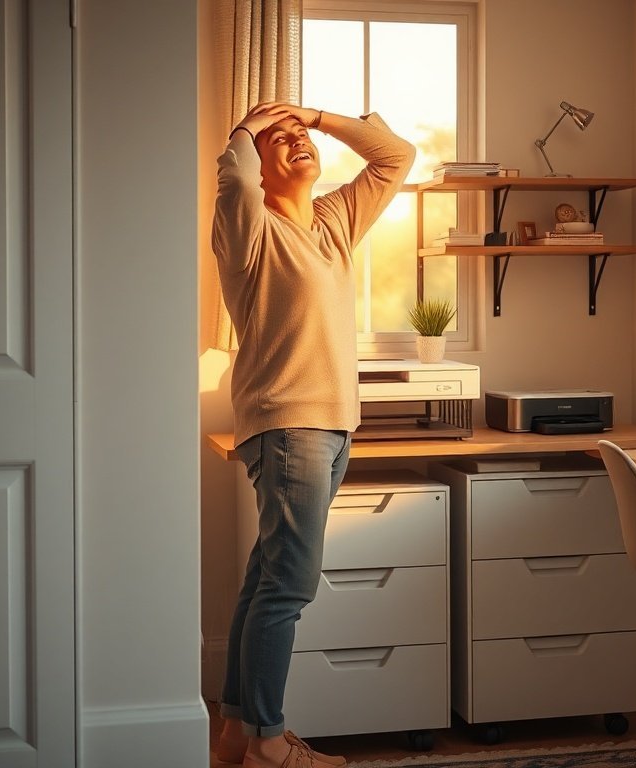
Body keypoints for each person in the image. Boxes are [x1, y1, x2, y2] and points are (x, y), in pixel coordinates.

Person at [210, 102, 415, 768]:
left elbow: (396, 157)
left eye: (301, 137)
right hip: (289, 425)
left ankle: (239, 734)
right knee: (289, 586)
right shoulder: (248, 229)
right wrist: (245, 129)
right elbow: (235, 182)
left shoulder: (332, 222)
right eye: (281, 140)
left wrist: (317, 117)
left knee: (266, 578)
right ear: (259, 162)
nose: (296, 141)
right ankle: (269, 742)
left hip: (331, 425)